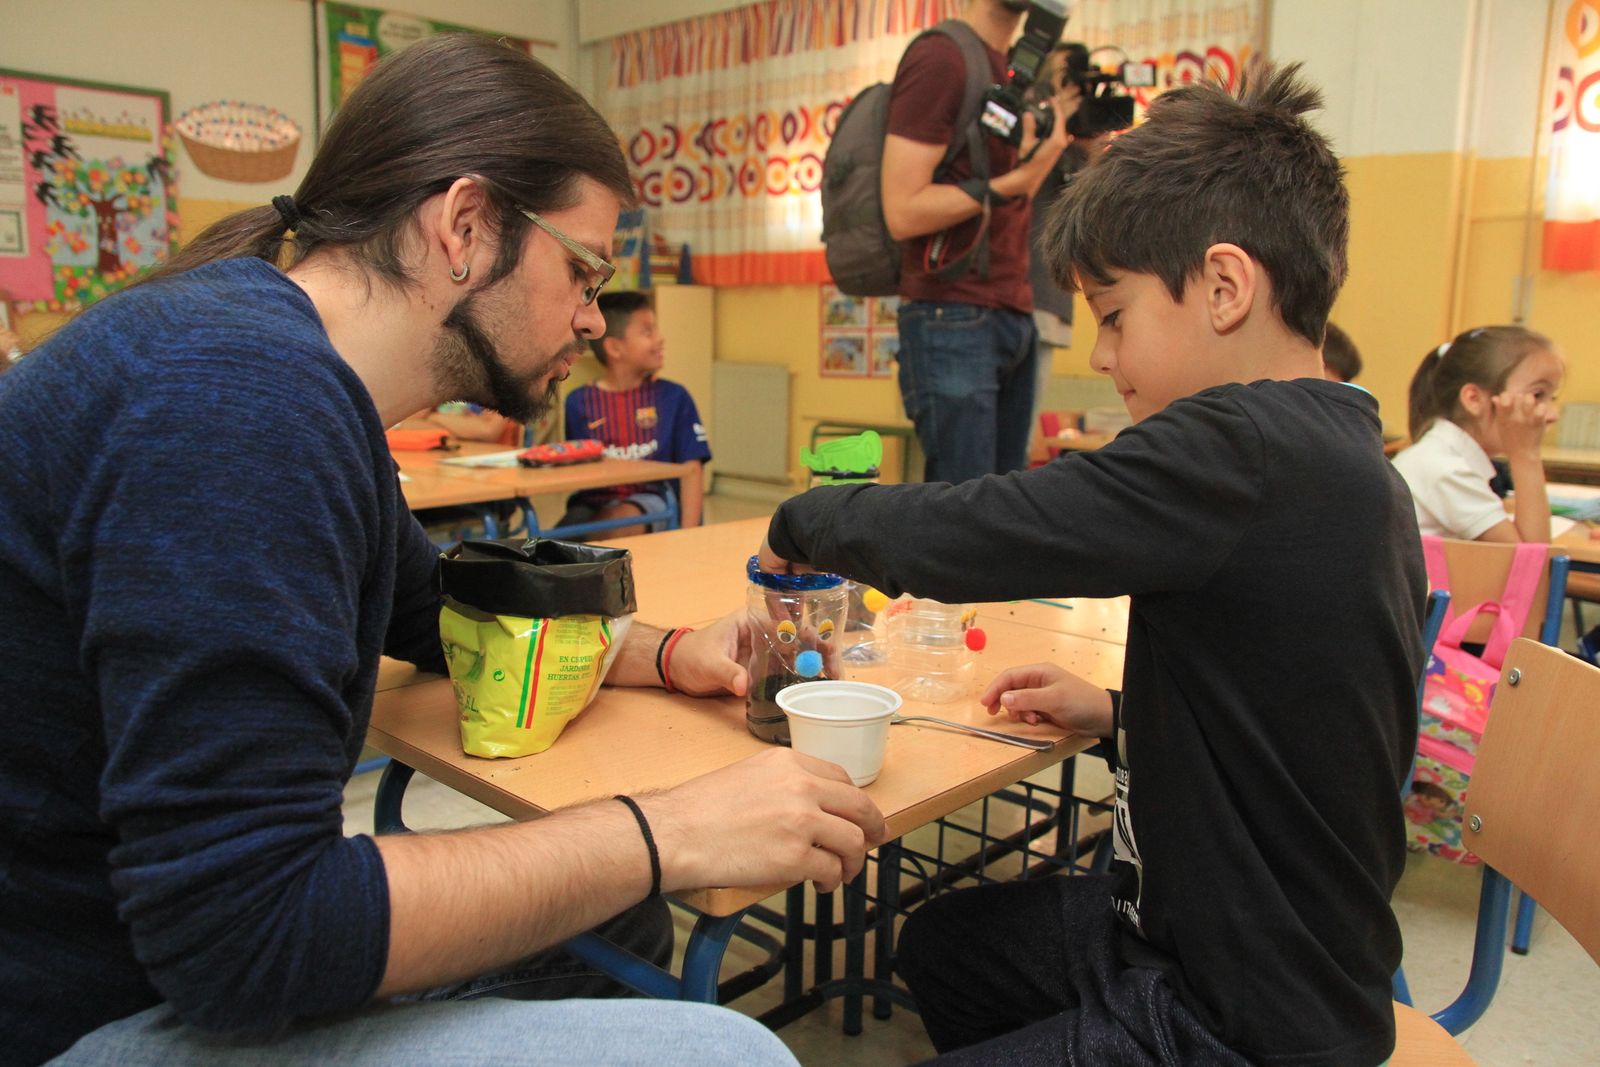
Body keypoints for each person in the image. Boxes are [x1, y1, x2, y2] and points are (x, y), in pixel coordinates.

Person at [0, 35, 884, 1066]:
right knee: (733, 1053)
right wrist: (668, 828)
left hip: (141, 940)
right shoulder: (239, 398)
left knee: (618, 917)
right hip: (72, 1004)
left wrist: (669, 649)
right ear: (464, 225)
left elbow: (435, 610)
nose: (590, 317)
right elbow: (246, 933)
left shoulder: (276, 361)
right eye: (582, 270)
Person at [758, 62, 1425, 1064]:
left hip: (1238, 1013)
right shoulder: (1337, 450)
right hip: (1200, 932)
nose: (1103, 356)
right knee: (946, 947)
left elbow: (988, 529)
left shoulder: (1241, 444)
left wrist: (803, 518)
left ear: (1225, 287)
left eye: (1114, 316)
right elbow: (1293, 711)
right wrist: (1119, 714)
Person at [882, 0, 1076, 483]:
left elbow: (1012, 193)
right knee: (962, 506)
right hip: (952, 312)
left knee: (1003, 505)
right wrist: (1018, 180)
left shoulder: (1015, 68)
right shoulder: (941, 57)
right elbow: (902, 211)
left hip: (1013, 309)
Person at [1391, 325, 1564, 544]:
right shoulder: (1446, 469)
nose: (1552, 415)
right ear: (1473, 399)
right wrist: (1525, 454)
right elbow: (1531, 562)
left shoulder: (1445, 456)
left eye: (1552, 398)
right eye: (1538, 395)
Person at [559, 290, 710, 535]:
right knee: (555, 539)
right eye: (648, 332)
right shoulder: (578, 402)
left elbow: (692, 470)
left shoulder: (674, 397)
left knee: (616, 524)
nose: (660, 339)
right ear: (614, 348)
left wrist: (689, 536)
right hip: (593, 502)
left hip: (655, 499)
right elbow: (578, 470)